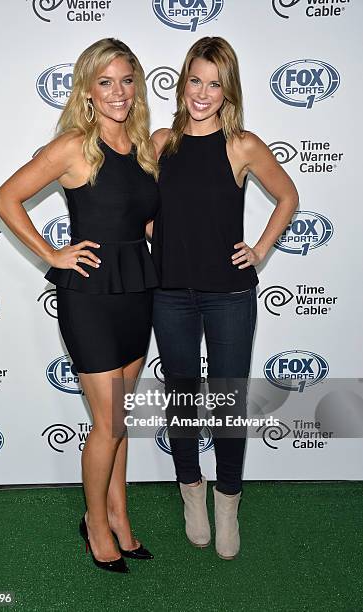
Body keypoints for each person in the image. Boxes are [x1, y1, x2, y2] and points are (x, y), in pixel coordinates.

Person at [0, 38, 159, 573]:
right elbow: (4, 198)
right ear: (87, 89)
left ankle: (121, 518)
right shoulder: (74, 146)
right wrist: (53, 255)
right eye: (105, 82)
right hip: (88, 296)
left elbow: (145, 221)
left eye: (126, 80)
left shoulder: (145, 149)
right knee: (107, 422)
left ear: (137, 86)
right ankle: (95, 525)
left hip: (138, 288)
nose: (118, 92)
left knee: (119, 419)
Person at [149, 36, 298, 560]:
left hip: (230, 294)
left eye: (215, 83)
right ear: (181, 82)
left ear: (228, 89)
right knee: (183, 398)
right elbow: (142, 203)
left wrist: (259, 248)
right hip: (169, 293)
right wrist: (156, 235)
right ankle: (192, 492)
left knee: (229, 402)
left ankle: (228, 500)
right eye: (196, 80)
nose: (203, 93)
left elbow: (288, 197)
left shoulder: (243, 145)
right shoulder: (160, 141)